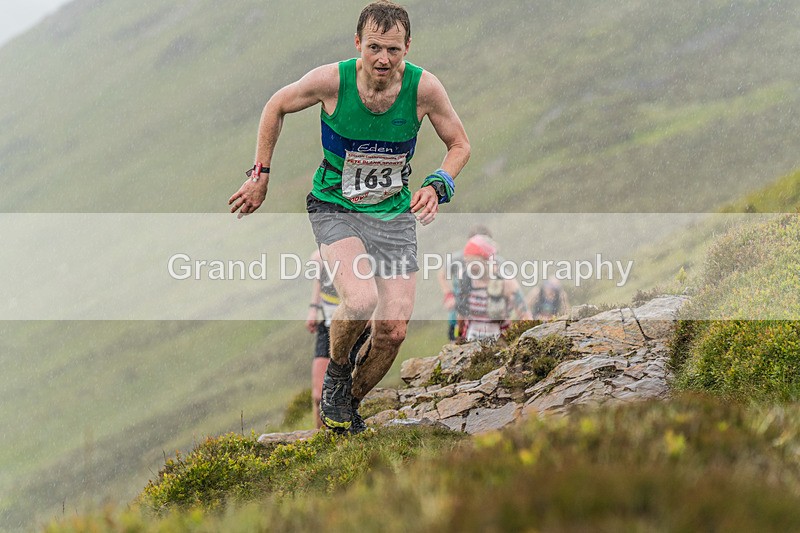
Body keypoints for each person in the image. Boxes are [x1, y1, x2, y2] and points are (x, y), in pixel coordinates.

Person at [229, 1, 470, 433]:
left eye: (393, 50)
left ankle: (346, 410)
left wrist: (438, 184)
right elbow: (276, 105)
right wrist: (260, 175)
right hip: (335, 206)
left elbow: (460, 144)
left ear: (408, 47)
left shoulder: (424, 89)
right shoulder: (332, 81)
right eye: (374, 47)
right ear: (358, 43)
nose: (383, 59)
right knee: (359, 301)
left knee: (393, 330)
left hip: (393, 215)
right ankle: (338, 372)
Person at [306, 250, 370, 428]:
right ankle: (322, 437)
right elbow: (319, 280)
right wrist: (313, 308)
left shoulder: (362, 254)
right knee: (318, 395)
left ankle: (348, 430)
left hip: (355, 327)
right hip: (327, 326)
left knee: (349, 391)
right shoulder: (320, 255)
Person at [455, 235, 531, 341]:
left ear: (487, 260)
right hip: (470, 341)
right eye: (467, 262)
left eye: (474, 263)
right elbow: (461, 315)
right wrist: (458, 338)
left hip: (501, 341)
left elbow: (525, 316)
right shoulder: (465, 279)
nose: (470, 267)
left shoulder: (506, 281)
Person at [436, 224, 496, 341]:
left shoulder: (492, 259)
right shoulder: (458, 258)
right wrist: (448, 295)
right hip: (458, 312)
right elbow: (441, 274)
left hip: (486, 316)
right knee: (457, 342)